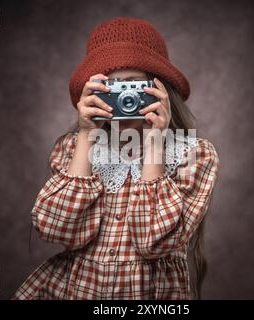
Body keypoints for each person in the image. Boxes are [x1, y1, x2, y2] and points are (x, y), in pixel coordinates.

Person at [13, 16, 220, 300]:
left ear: (161, 90)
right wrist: (87, 134)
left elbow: (152, 242)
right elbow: (56, 229)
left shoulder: (194, 155)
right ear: (92, 92)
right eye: (112, 89)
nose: (125, 100)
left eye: (134, 87)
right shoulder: (75, 150)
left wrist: (155, 143)